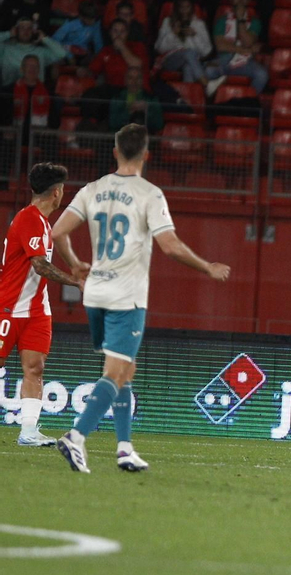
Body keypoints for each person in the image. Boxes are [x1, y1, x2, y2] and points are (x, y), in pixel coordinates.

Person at [50, 125, 231, 472]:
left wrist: (76, 266)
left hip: (95, 293)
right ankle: (76, 436)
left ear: (115, 152)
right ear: (147, 155)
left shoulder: (93, 189)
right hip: (126, 297)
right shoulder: (150, 194)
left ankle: (124, 448)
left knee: (124, 369)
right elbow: (171, 246)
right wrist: (207, 267)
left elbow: (58, 232)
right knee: (116, 372)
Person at [1, 163, 81, 446]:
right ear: (57, 192)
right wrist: (77, 281)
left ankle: (28, 432)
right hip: (8, 306)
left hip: (36, 310)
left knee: (35, 368)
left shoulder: (43, 223)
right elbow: (39, 266)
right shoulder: (30, 219)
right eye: (63, 190)